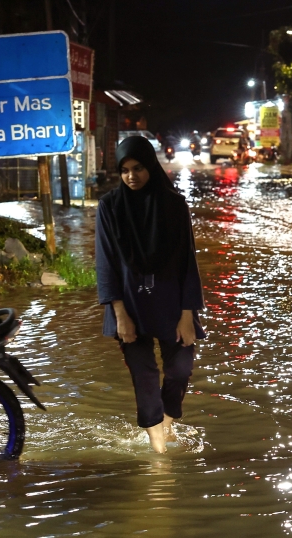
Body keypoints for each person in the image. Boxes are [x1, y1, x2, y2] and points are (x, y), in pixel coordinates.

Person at [96, 136, 206, 454]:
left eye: (139, 168)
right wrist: (119, 314)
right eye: (125, 170)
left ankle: (167, 420)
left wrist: (188, 313)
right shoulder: (109, 207)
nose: (132, 176)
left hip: (172, 302)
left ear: (151, 166)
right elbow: (105, 262)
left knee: (181, 369)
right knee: (143, 376)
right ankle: (158, 449)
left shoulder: (173, 204)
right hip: (128, 304)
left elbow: (187, 259)